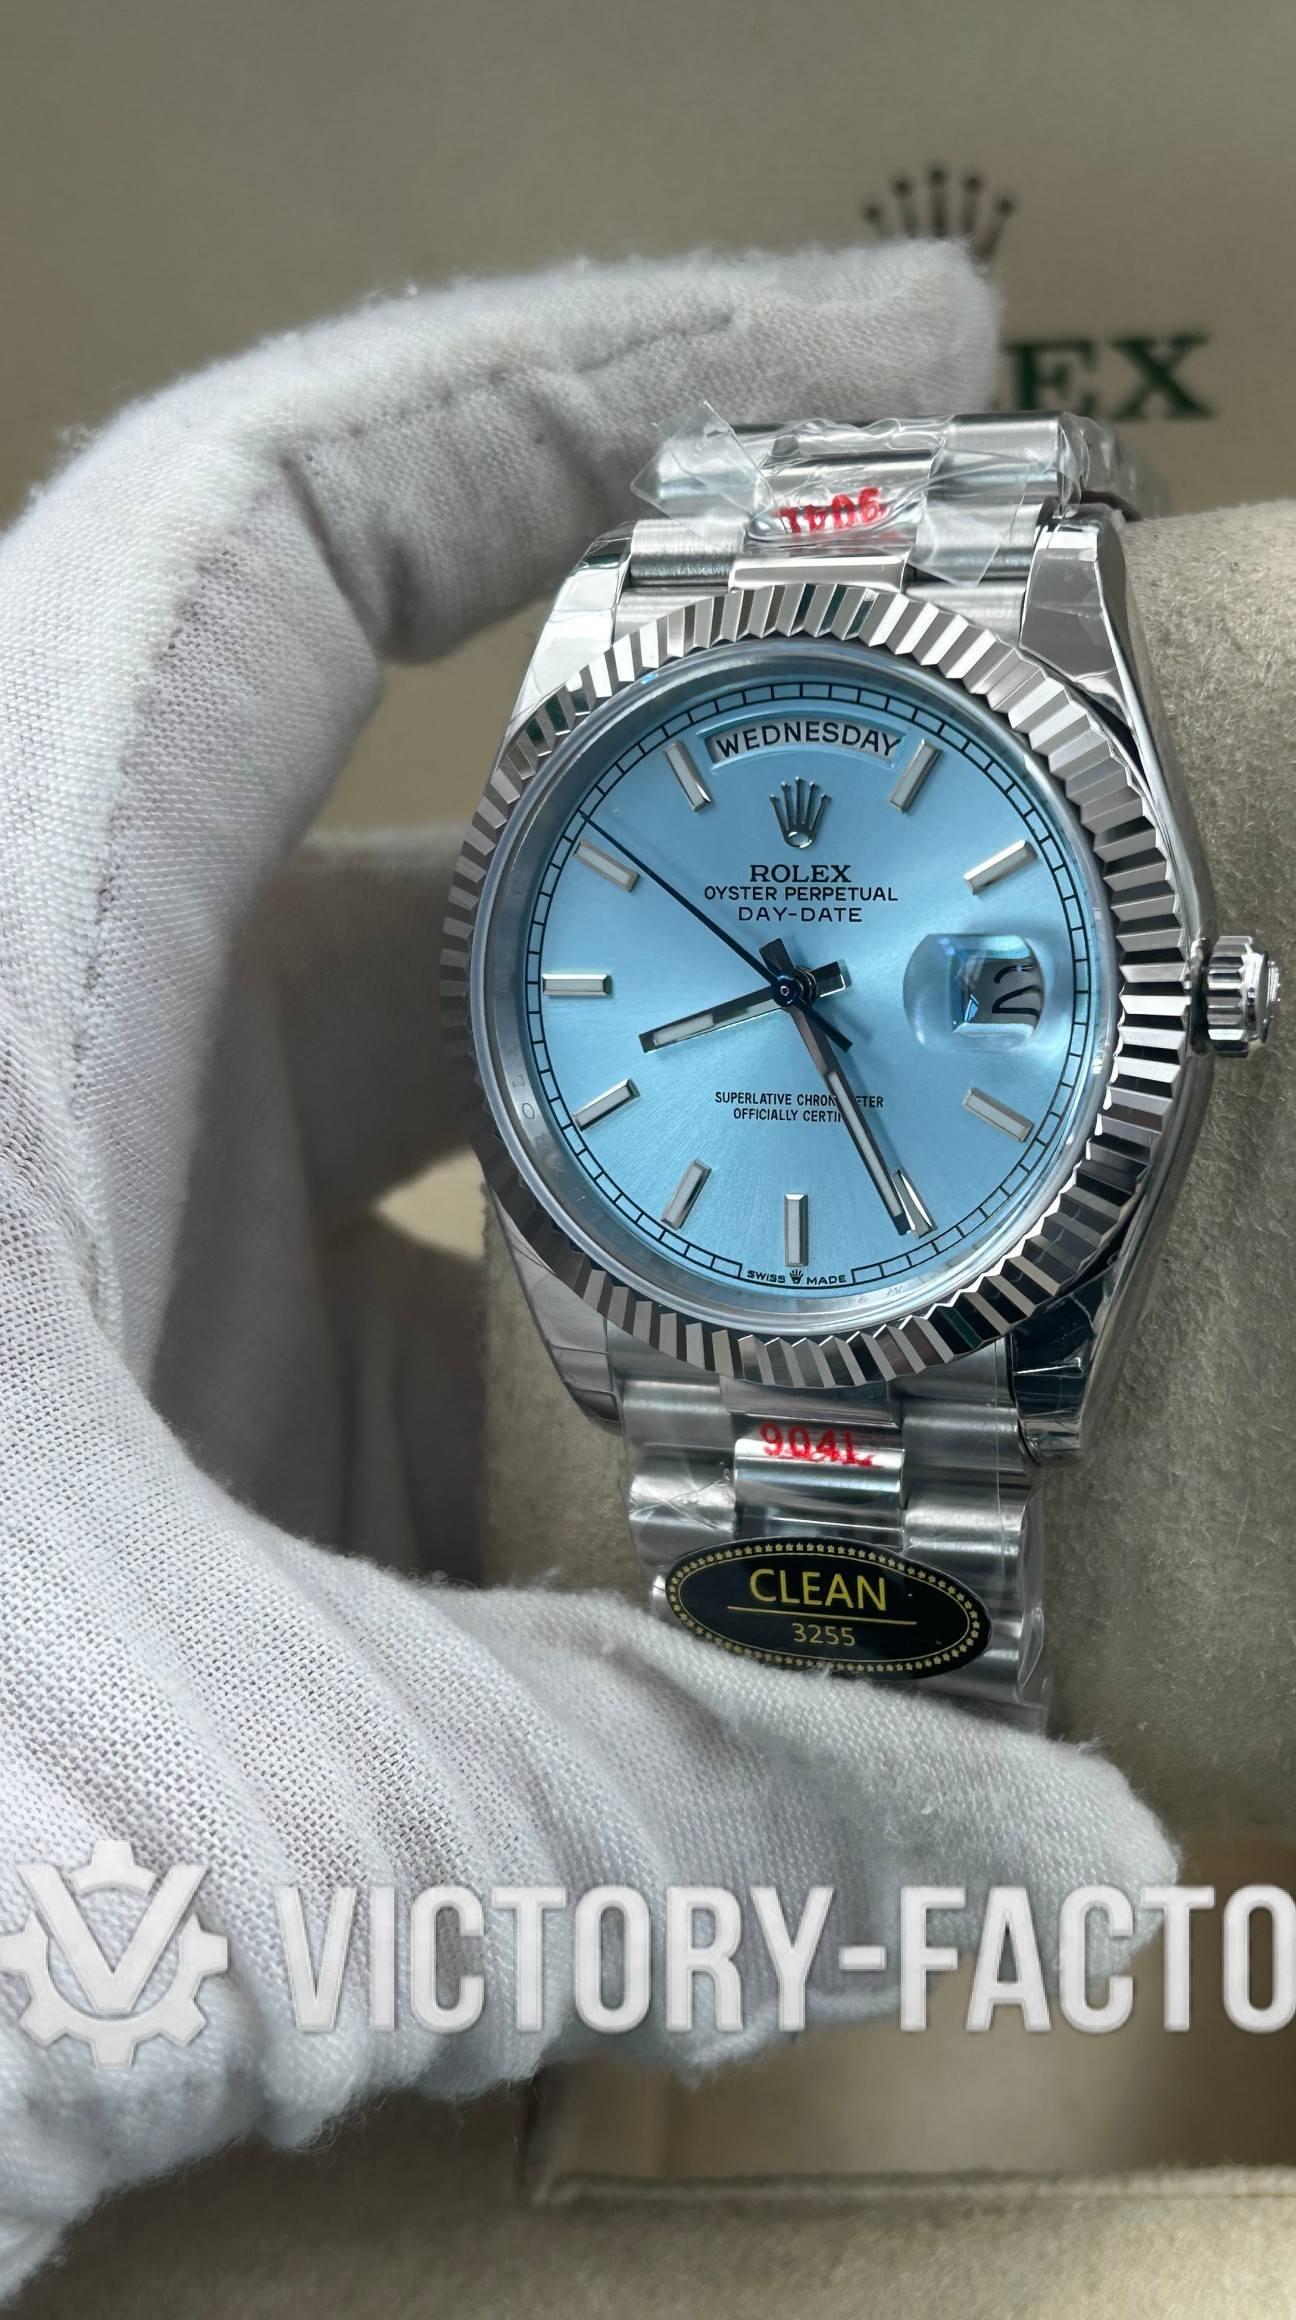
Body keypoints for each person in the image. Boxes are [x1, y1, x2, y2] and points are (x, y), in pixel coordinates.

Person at [0, 239, 1173, 2297]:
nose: (804, 985)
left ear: (1191, 997)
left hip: (922, 1305)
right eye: (780, 974)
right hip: (668, 1304)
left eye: (818, 976)